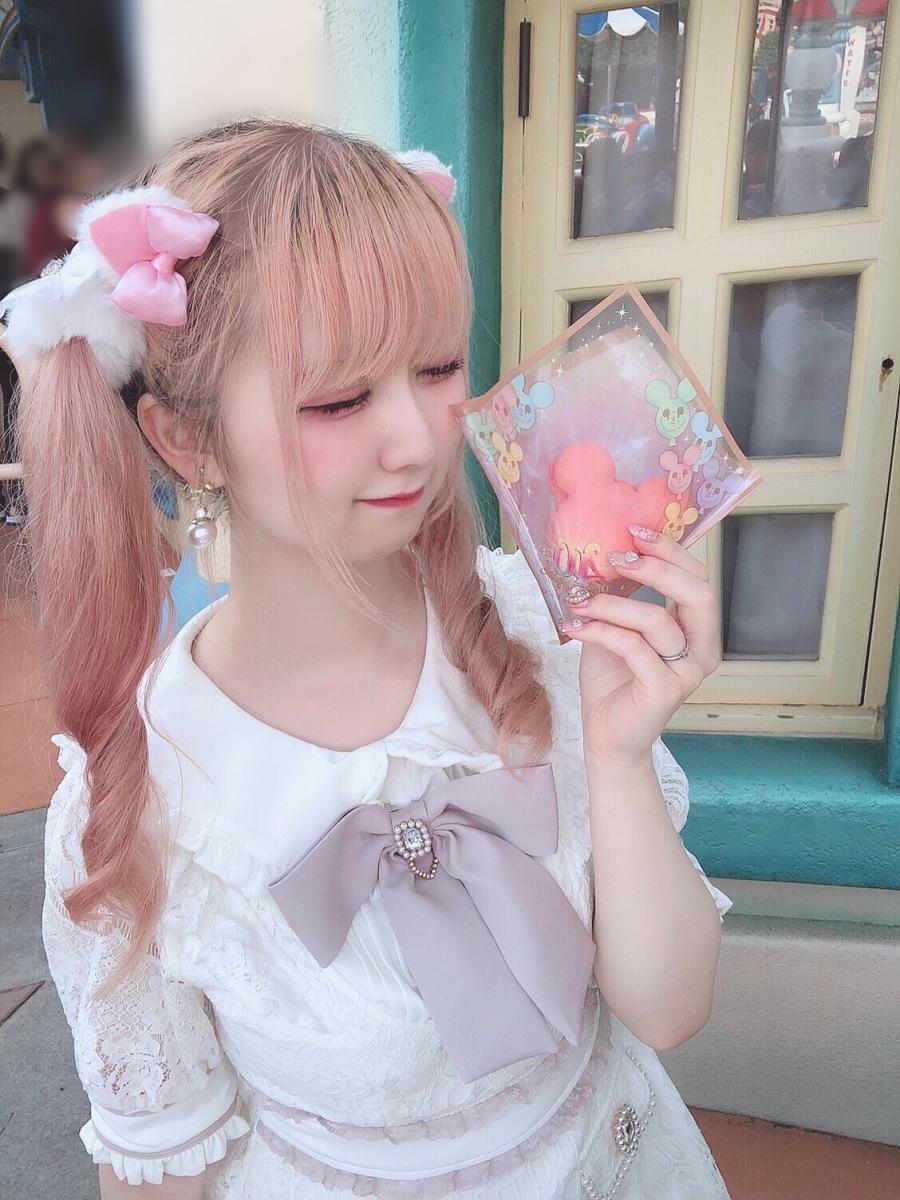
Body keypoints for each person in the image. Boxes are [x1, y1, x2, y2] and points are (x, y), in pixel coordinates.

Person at [2, 119, 732, 1199]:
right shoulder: (140, 801)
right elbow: (160, 1167)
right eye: (340, 399)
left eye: (438, 366)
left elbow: (669, 1013)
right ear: (187, 440)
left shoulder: (535, 627)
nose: (421, 438)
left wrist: (620, 756)